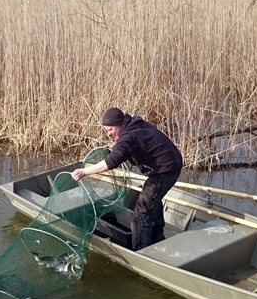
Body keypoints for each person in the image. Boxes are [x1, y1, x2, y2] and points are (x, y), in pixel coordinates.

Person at [71, 107, 182, 251]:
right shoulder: (134, 124)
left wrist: (85, 171)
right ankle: (158, 237)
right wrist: (117, 146)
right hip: (172, 164)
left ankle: (141, 250)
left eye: (110, 130)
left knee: (141, 214)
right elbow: (132, 143)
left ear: (118, 124)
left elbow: (110, 163)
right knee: (152, 201)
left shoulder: (128, 137)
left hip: (165, 171)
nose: (109, 134)